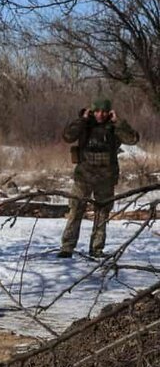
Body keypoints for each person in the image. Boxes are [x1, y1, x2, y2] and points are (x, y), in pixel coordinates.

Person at [58, 98, 140, 258]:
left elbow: (133, 139)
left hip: (106, 179)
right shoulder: (84, 125)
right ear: (92, 111)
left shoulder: (114, 126)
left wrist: (118, 122)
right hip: (84, 177)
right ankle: (67, 247)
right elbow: (67, 136)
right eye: (97, 111)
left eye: (104, 112)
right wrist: (82, 119)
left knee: (102, 213)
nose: (100, 115)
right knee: (76, 210)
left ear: (109, 112)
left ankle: (96, 248)